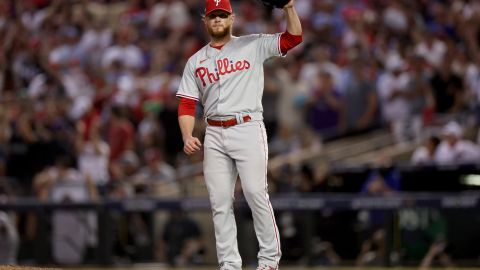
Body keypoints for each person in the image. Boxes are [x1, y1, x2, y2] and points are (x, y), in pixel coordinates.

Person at [176, 0, 302, 269]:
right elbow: (187, 103)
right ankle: (229, 264)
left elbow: (293, 38)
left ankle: (268, 261)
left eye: (222, 15)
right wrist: (187, 135)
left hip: (247, 126)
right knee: (220, 202)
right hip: (214, 134)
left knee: (256, 193)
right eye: (213, 16)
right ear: (205, 21)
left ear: (231, 18)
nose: (218, 20)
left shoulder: (252, 44)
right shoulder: (196, 61)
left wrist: (289, 8)